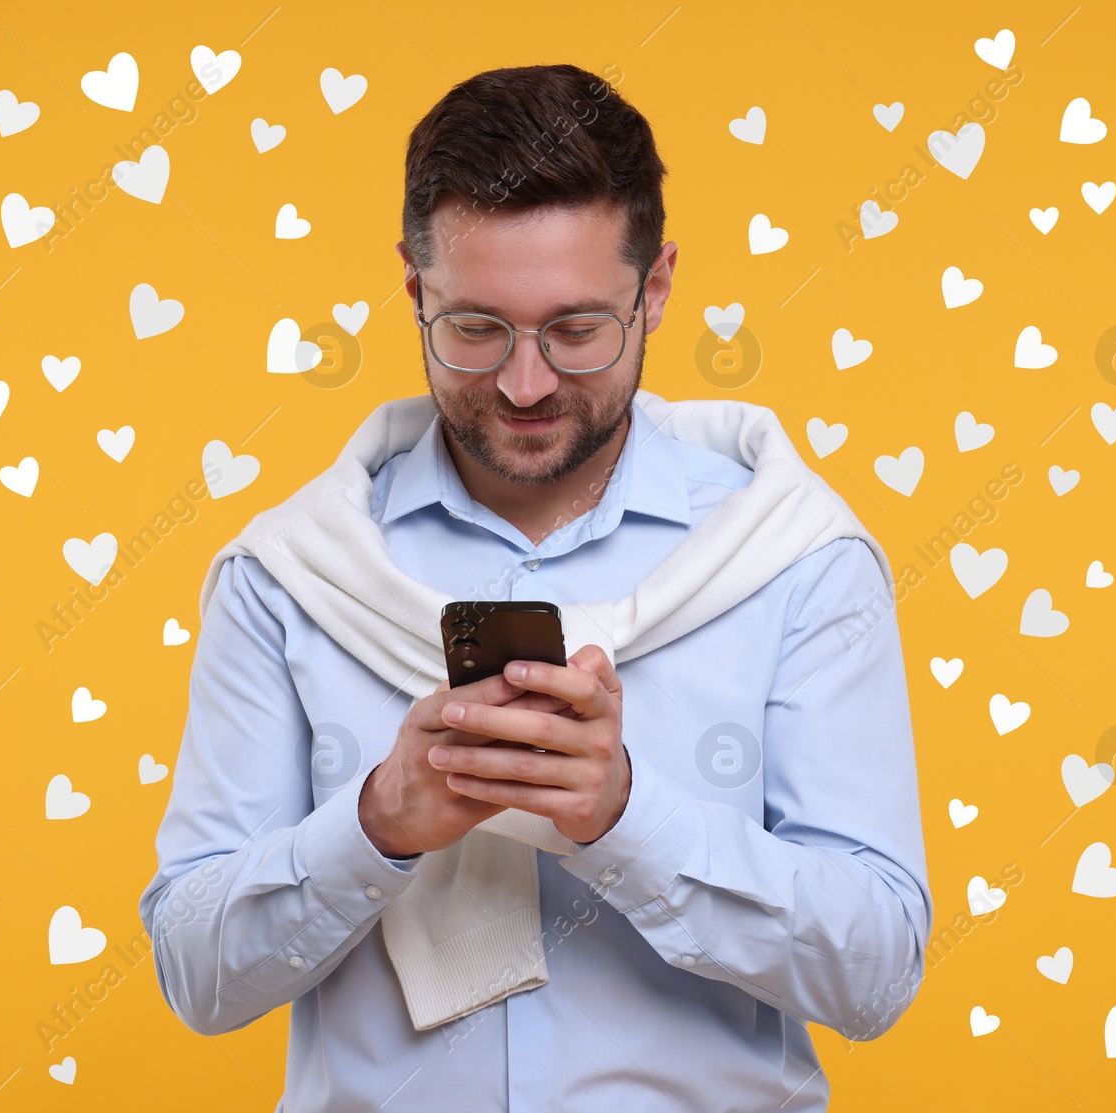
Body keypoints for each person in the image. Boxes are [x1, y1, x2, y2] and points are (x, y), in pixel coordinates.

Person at [139, 62, 932, 1112]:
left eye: (575, 329)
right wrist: (375, 825)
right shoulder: (289, 576)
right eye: (474, 328)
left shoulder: (791, 559)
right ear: (414, 289)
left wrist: (625, 819)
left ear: (655, 290)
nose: (524, 384)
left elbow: (873, 973)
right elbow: (196, 976)